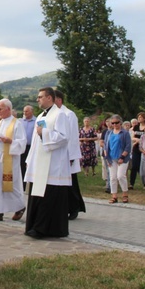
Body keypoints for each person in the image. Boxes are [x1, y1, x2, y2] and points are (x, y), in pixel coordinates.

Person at [23, 87, 72, 239]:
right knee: (37, 195)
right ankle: (33, 226)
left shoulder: (59, 115)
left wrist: (43, 133)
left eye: (40, 97)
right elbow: (36, 142)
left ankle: (44, 229)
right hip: (40, 164)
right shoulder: (40, 116)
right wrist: (29, 161)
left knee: (48, 197)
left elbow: (63, 137)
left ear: (49, 98)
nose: (37, 99)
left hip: (53, 165)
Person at [0, 99, 27, 222]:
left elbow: (22, 142)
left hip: (9, 158)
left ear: (8, 109)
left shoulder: (17, 123)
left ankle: (20, 207)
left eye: (0, 109)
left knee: (11, 185)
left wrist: (10, 141)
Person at [55, 90, 85, 220]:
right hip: (58, 155)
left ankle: (74, 208)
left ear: (59, 100)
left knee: (71, 184)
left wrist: (72, 157)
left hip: (68, 155)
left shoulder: (69, 115)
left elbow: (73, 137)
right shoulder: (54, 114)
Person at [106, 115, 132, 204]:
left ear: (120, 123)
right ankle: (114, 196)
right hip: (111, 158)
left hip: (122, 158)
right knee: (112, 177)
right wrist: (107, 158)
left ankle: (125, 194)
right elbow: (106, 146)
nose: (114, 125)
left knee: (120, 176)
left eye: (116, 123)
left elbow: (128, 147)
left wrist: (122, 157)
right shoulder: (109, 133)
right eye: (112, 123)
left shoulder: (125, 133)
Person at [20, 105, 36, 190]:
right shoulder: (20, 121)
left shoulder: (36, 121)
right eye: (24, 111)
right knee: (21, 165)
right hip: (22, 147)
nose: (24, 113)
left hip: (31, 147)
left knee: (30, 165)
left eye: (26, 111)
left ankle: (31, 186)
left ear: (31, 111)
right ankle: (22, 186)